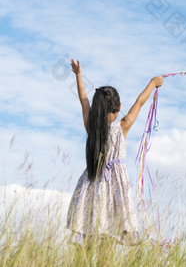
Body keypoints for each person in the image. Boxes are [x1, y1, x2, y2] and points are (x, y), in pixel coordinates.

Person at [65, 58, 163, 246]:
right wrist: (153, 83)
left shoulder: (91, 127)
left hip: (92, 184)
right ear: (119, 107)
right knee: (109, 237)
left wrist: (78, 76)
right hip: (116, 188)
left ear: (97, 108)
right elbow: (140, 102)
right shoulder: (123, 126)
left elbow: (84, 101)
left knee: (88, 235)